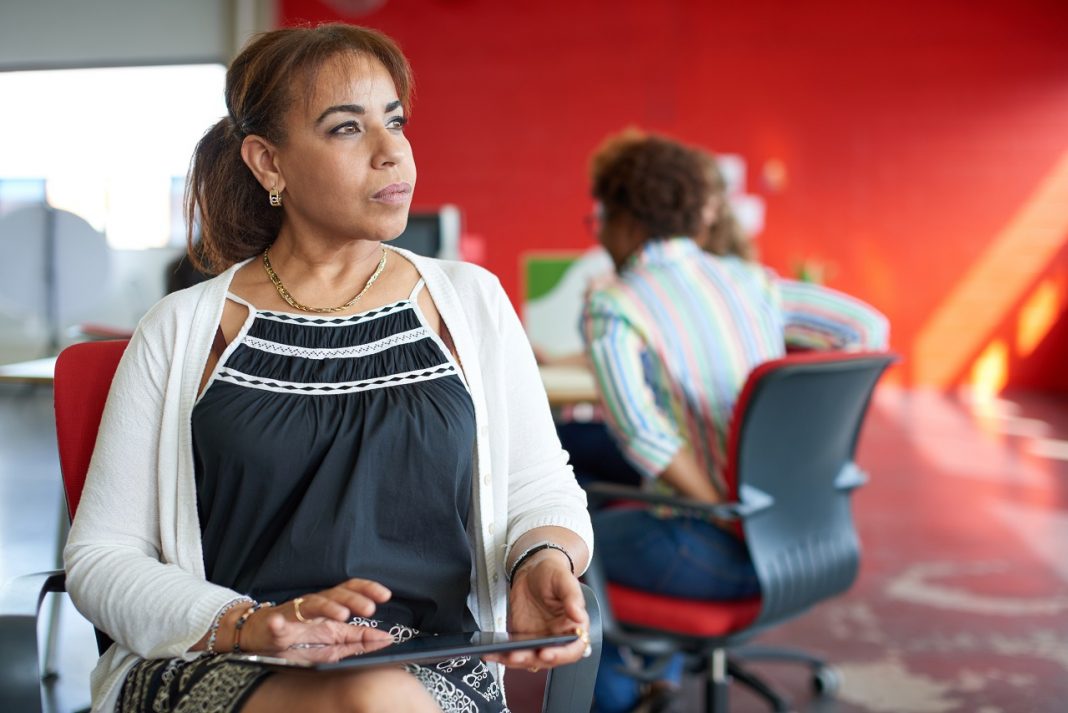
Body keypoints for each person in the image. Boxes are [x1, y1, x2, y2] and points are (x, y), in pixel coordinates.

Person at [64, 23, 593, 713]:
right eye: (347, 128)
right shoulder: (182, 329)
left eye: (395, 121)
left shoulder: (469, 302)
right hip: (229, 654)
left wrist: (539, 560)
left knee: (371, 696)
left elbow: (536, 484)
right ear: (268, 163)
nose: (391, 151)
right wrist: (247, 622)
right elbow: (102, 556)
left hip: (429, 660)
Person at [581, 131, 888, 713]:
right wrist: (795, 431)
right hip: (808, 540)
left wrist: (731, 512)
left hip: (718, 554)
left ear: (618, 217)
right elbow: (864, 330)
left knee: (564, 549)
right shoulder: (749, 281)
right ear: (694, 215)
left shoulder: (618, 302)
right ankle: (656, 675)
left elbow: (645, 438)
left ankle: (620, 693)